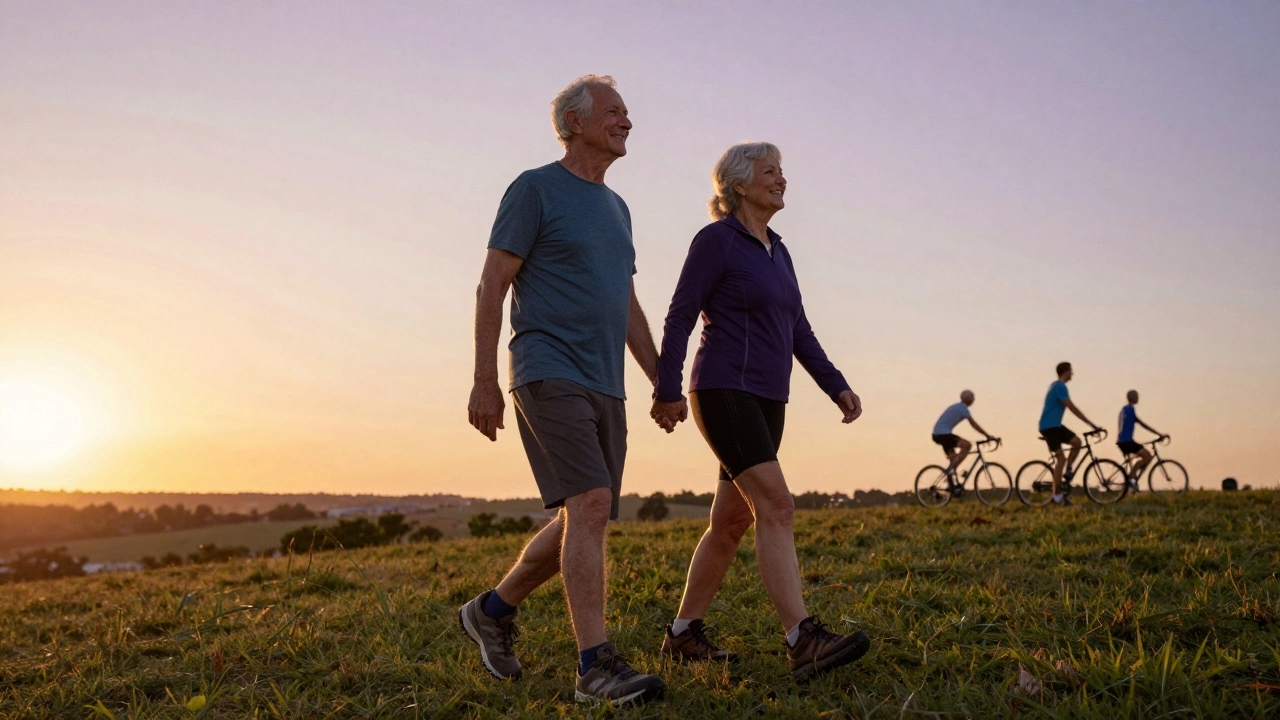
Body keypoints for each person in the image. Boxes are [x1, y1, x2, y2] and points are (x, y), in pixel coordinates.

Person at [460, 75, 665, 707]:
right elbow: (492, 284)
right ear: (574, 122)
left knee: (586, 514)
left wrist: (662, 379)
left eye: (628, 112)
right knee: (594, 505)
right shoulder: (534, 189)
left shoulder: (618, 208)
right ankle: (594, 667)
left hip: (608, 379)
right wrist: (485, 380)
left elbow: (626, 301)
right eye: (613, 111)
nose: (626, 120)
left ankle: (491, 610)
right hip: (548, 368)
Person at [650, 142, 871, 682]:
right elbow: (679, 316)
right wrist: (667, 388)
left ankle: (682, 634)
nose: (781, 179)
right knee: (777, 503)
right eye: (770, 172)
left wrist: (835, 385)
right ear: (738, 185)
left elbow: (798, 329)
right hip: (724, 388)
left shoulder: (779, 249)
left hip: (771, 397)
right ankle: (803, 639)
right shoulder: (715, 242)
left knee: (730, 521)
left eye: (782, 171)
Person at [1038, 361, 1101, 505]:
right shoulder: (1060, 386)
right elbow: (1072, 407)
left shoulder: (1056, 385)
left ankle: (1069, 470)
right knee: (1060, 458)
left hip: (1054, 425)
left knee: (1077, 442)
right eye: (1071, 371)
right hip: (1050, 427)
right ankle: (1058, 496)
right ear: (1066, 372)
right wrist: (1091, 424)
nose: (1072, 374)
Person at [931, 390, 995, 478]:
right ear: (967, 398)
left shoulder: (958, 406)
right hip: (943, 434)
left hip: (939, 434)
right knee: (967, 445)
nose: (974, 399)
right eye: (972, 397)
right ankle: (951, 471)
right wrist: (987, 436)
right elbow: (974, 424)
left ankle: (950, 482)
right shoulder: (962, 408)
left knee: (953, 459)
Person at [1116, 390, 1163, 489]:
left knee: (1140, 455)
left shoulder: (1124, 409)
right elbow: (1142, 424)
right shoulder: (1130, 409)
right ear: (1132, 397)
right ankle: (1130, 479)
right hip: (1127, 441)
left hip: (1122, 441)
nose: (1138, 398)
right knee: (1148, 456)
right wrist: (1158, 434)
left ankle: (1133, 477)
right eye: (1137, 396)